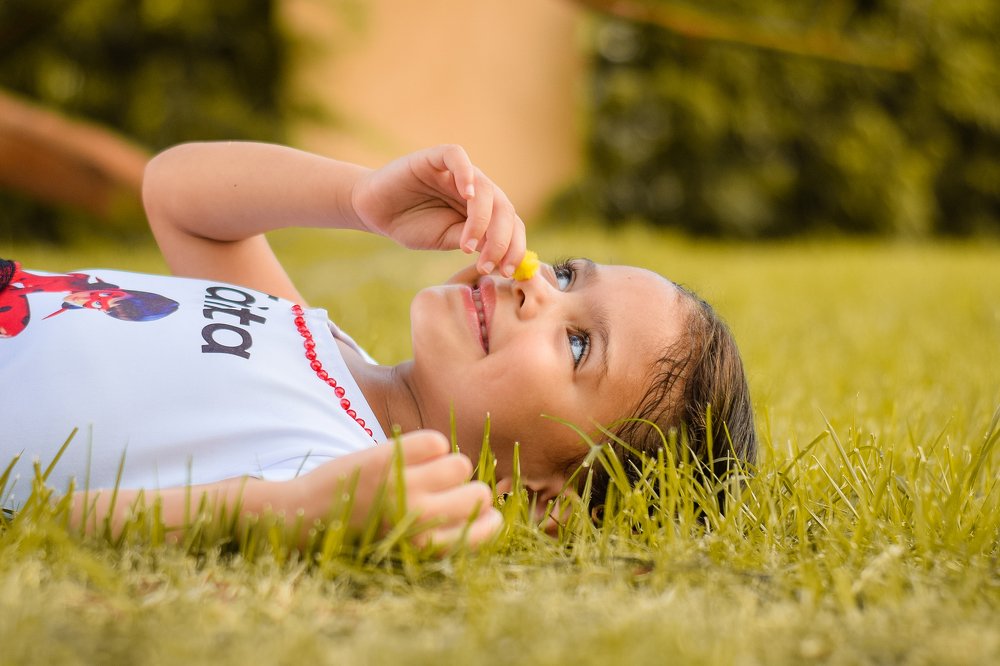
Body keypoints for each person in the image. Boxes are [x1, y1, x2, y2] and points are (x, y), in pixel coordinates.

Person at [0, 141, 756, 548]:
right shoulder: (324, 346)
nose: (536, 285)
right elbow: (177, 195)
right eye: (565, 273)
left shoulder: (340, 468)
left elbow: (64, 521)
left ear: (542, 500)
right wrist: (358, 200)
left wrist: (291, 511)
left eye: (580, 344)